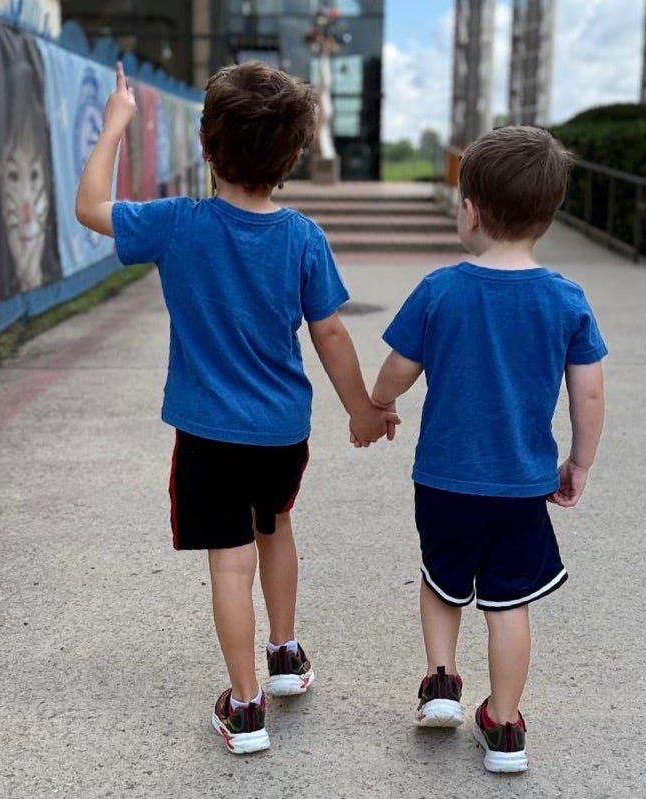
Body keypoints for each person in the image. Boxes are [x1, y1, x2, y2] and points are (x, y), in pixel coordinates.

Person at [75, 61, 395, 755]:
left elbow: (90, 207)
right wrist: (363, 410)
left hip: (209, 434)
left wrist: (115, 126)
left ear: (206, 146)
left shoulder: (176, 225)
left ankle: (245, 706)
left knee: (229, 562)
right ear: (293, 155)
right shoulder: (303, 236)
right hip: (281, 430)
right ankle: (286, 653)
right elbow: (330, 332)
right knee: (275, 524)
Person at [366, 126, 607, 774]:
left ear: (470, 210)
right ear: (549, 215)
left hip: (445, 480)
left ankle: (441, 680)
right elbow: (587, 391)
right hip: (521, 485)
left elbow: (398, 366)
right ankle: (504, 725)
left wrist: (380, 402)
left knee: (442, 581)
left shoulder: (440, 289)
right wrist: (579, 461)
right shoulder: (565, 298)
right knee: (509, 603)